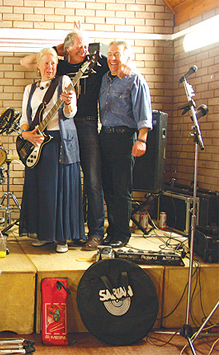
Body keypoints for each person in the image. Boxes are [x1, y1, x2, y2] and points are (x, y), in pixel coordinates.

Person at [20, 28, 132, 251]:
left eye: (87, 45)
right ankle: (66, 231)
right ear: (68, 48)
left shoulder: (95, 62)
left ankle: (96, 233)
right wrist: (57, 49)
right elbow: (27, 61)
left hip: (87, 123)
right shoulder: (59, 65)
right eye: (80, 45)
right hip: (61, 127)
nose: (85, 49)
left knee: (92, 179)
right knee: (65, 181)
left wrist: (130, 65)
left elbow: (118, 62)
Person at [19, 47, 84, 253]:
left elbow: (70, 113)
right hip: (37, 143)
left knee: (60, 190)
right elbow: (24, 119)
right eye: (46, 63)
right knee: (41, 190)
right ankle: (44, 234)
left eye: (53, 63)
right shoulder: (29, 89)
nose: (50, 67)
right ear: (38, 65)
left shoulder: (64, 82)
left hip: (59, 142)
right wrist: (26, 134)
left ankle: (61, 238)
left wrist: (68, 103)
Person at [99, 40, 152, 248]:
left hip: (125, 138)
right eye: (110, 54)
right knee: (109, 189)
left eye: (117, 54)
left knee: (122, 189)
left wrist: (141, 140)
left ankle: (122, 234)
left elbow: (144, 113)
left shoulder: (135, 79)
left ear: (127, 57)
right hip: (105, 137)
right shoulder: (105, 78)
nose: (113, 58)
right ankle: (112, 231)